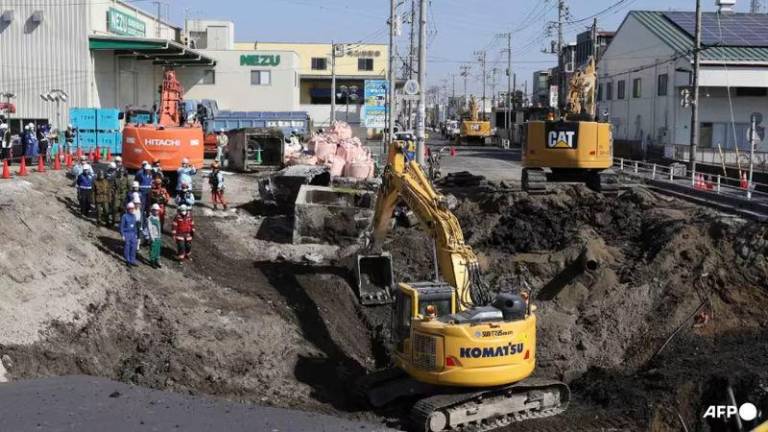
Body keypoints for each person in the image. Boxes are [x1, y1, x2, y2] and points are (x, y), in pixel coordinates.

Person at [120, 202, 140, 267]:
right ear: (127, 209)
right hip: (127, 233)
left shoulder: (134, 216)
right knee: (127, 247)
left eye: (133, 209)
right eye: (130, 209)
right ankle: (127, 260)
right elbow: (121, 226)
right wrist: (122, 234)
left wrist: (136, 233)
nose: (132, 210)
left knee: (133, 247)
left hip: (133, 233)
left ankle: (132, 260)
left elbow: (135, 226)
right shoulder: (124, 216)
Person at [145, 204, 163, 268]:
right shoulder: (150, 219)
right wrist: (151, 237)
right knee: (153, 249)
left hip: (158, 236)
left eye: (157, 211)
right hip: (153, 237)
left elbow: (159, 227)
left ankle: (157, 260)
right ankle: (152, 261)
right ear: (152, 211)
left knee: (158, 249)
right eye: (155, 211)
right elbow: (150, 229)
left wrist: (160, 235)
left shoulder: (157, 217)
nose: (157, 212)